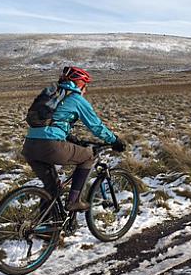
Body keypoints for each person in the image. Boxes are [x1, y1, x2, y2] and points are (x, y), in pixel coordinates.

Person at [21, 66, 125, 211]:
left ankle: (45, 230)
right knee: (89, 156)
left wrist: (72, 138)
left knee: (53, 189)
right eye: (85, 85)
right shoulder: (76, 99)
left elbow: (52, 122)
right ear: (80, 84)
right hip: (49, 146)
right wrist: (114, 140)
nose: (86, 89)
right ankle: (74, 201)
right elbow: (96, 126)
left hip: (30, 146)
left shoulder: (55, 95)